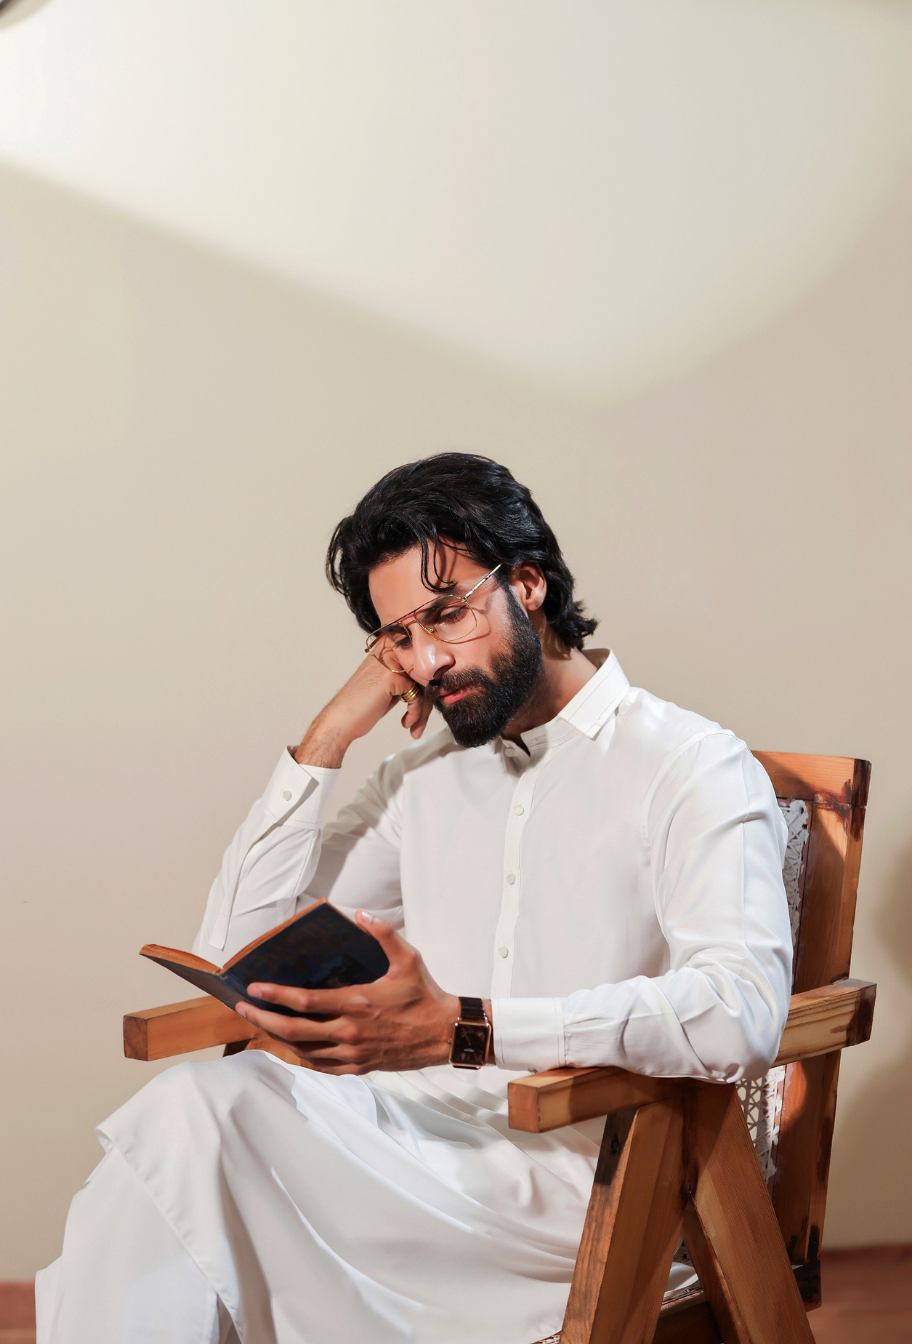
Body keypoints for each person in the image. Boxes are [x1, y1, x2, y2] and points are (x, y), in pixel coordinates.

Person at [36, 454, 793, 1344]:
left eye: (446, 615)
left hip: (588, 1194)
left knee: (189, 1136)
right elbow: (235, 953)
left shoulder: (691, 764)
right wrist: (329, 736)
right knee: (192, 1112)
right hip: (410, 1154)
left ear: (530, 584)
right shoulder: (417, 780)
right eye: (399, 637)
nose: (429, 660)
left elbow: (740, 1012)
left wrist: (464, 1027)